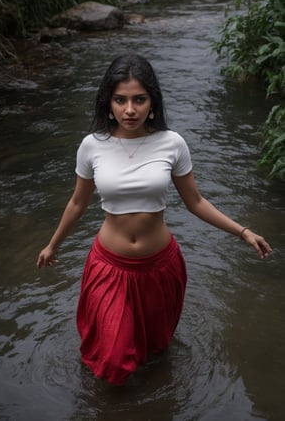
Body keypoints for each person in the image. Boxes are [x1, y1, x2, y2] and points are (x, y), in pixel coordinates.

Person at [36, 54, 272, 385]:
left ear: (152, 102)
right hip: (109, 267)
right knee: (114, 361)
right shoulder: (92, 146)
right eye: (120, 99)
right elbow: (77, 202)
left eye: (138, 99)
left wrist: (242, 231)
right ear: (109, 102)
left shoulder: (172, 143)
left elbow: (196, 201)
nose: (129, 109)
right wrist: (52, 245)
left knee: (155, 352)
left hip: (160, 267)